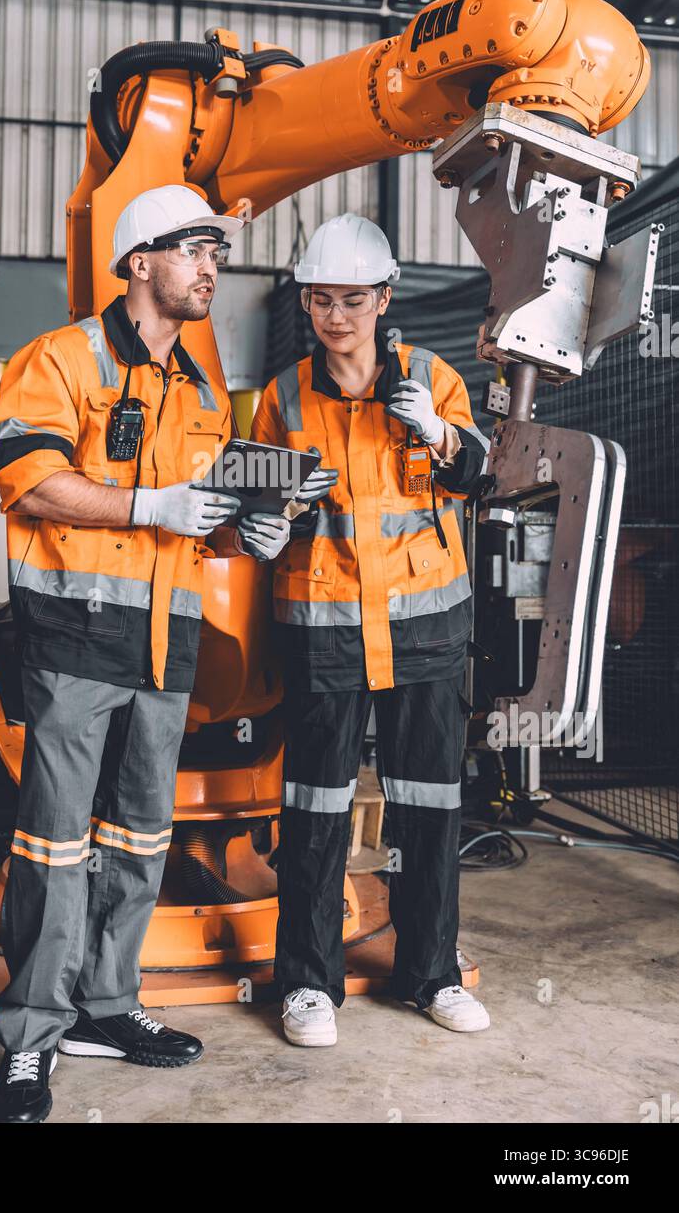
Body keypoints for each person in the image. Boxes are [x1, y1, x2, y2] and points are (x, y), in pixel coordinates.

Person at [0, 184, 248, 1122]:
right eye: (191, 250)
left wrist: (237, 533)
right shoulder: (59, 358)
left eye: (216, 252)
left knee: (140, 840)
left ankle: (107, 1006)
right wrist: (150, 506)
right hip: (72, 639)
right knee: (53, 847)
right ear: (139, 262)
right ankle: (31, 1040)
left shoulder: (201, 389)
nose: (210, 267)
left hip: (165, 645)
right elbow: (30, 477)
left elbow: (192, 522)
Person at [241, 212, 492, 1047]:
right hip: (325, 631)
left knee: (429, 808)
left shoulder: (434, 379)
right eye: (319, 300)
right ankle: (308, 985)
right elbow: (255, 504)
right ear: (305, 305)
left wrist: (443, 435)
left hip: (425, 630)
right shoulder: (278, 398)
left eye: (353, 298)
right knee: (313, 812)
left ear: (385, 298)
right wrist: (265, 525)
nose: (335, 317)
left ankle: (432, 974)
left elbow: (479, 474)